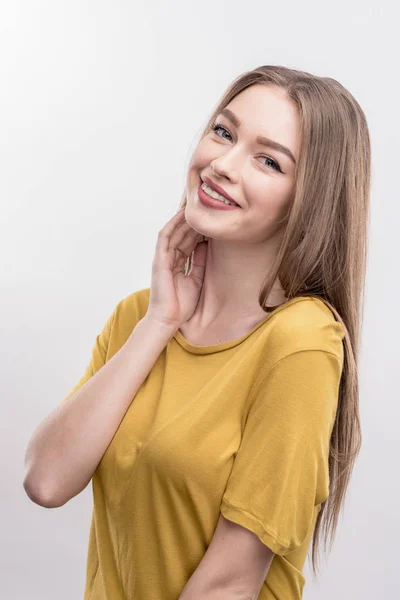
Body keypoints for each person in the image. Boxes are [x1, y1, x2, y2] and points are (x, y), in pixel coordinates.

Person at [23, 65, 371, 600]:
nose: (223, 165)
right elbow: (45, 481)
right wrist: (159, 324)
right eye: (224, 132)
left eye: (268, 160)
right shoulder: (137, 318)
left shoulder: (302, 341)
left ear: (308, 201)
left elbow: (229, 585)